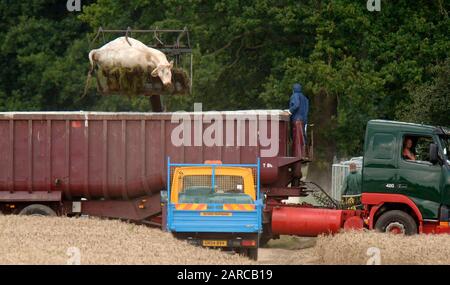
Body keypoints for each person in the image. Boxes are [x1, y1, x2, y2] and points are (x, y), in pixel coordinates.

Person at [288, 83, 309, 158]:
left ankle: (296, 155)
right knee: (302, 138)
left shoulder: (295, 95)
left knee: (296, 139)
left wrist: (290, 111)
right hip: (304, 121)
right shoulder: (305, 99)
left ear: (293, 90)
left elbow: (296, 105)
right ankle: (305, 153)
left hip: (296, 120)